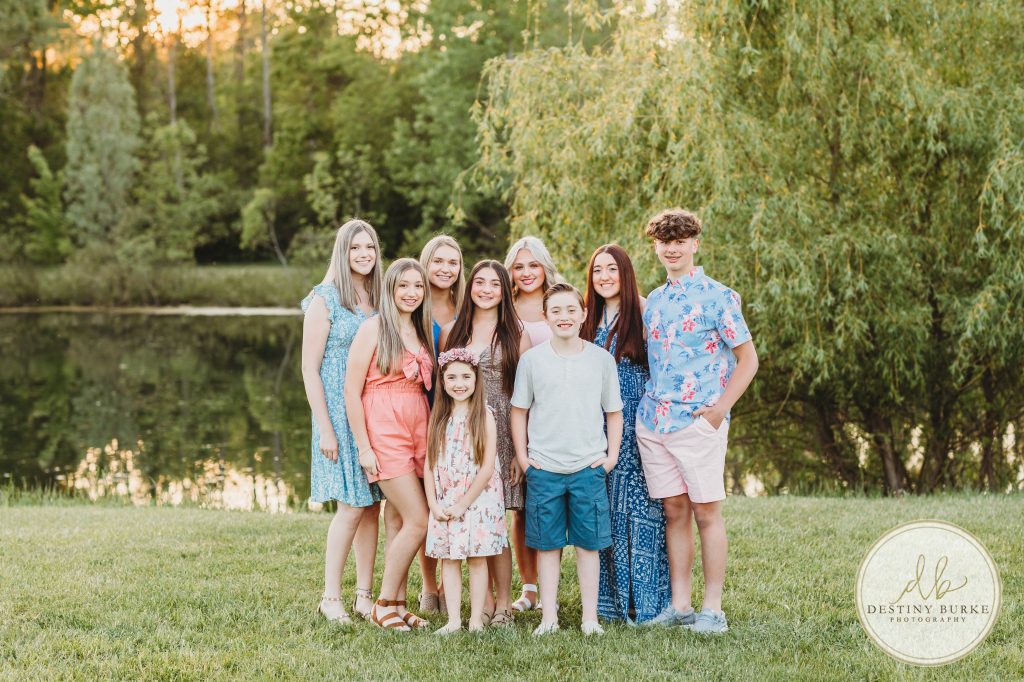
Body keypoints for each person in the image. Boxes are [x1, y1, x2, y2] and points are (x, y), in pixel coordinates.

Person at [637, 209, 758, 634]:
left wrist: (719, 410)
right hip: (655, 421)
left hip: (698, 420)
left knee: (707, 513)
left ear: (695, 244)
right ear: (656, 246)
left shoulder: (719, 296)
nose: (672, 247)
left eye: (680, 239)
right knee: (675, 511)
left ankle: (713, 610)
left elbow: (748, 359)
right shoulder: (654, 302)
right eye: (664, 241)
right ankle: (682, 605)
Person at [510, 282, 624, 636]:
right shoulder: (532, 361)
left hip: (588, 467)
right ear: (545, 317)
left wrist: (610, 457)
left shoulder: (601, 360)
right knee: (548, 546)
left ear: (584, 314)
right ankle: (549, 617)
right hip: (545, 467)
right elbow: (519, 411)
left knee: (589, 546)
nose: (564, 316)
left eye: (571, 310)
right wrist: (525, 460)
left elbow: (614, 413)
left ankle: (590, 617)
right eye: (556, 311)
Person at [581, 244, 671, 624]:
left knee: (643, 510)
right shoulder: (587, 318)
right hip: (595, 425)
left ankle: (649, 601)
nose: (604, 277)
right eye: (597, 270)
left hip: (640, 423)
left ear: (625, 273)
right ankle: (611, 603)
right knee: (606, 510)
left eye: (611, 270)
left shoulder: (647, 311)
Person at [300, 219, 383, 625]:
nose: (364, 254)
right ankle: (331, 596)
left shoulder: (378, 297)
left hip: (371, 412)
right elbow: (309, 369)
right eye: (356, 248)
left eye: (369, 247)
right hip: (336, 412)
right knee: (350, 506)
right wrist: (326, 429)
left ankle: (365, 596)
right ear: (343, 252)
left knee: (371, 508)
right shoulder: (325, 299)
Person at [345, 258, 435, 631]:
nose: (411, 293)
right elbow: (351, 391)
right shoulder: (374, 329)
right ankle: (381, 604)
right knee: (420, 519)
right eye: (404, 286)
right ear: (391, 289)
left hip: (419, 429)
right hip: (385, 431)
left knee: (398, 519)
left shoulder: (420, 329)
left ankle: (398, 603)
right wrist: (364, 446)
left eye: (418, 286)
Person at [440, 260, 531, 627]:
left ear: (505, 289)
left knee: (496, 519)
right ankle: (485, 600)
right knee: (473, 516)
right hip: (462, 433)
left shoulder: (516, 333)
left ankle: (505, 604)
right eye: (479, 282)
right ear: (470, 286)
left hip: (505, 429)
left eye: (495, 283)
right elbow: (445, 389)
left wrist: (519, 450)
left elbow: (524, 395)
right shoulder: (453, 331)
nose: (486, 289)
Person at [425, 348, 507, 634]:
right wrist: (434, 503)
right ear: (443, 382)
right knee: (449, 558)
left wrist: (464, 503)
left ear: (476, 379)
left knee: (476, 557)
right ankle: (453, 621)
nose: (459, 383)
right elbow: (428, 464)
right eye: (452, 378)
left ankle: (475, 620)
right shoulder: (439, 418)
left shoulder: (484, 415)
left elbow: (486, 468)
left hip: (477, 500)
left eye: (465, 377)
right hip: (446, 499)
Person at [503, 236, 561, 612]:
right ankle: (529, 588)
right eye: (519, 266)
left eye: (533, 265)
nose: (526, 273)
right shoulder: (504, 307)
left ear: (544, 267)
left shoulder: (560, 303)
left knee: (551, 504)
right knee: (521, 506)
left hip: (558, 415)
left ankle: (550, 581)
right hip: (517, 410)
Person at [417, 234, 465, 613]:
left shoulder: (465, 307)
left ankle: (454, 584)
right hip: (418, 410)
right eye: (439, 261)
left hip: (456, 411)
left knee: (454, 493)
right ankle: (427, 585)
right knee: (417, 500)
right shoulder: (412, 303)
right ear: (426, 263)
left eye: (453, 262)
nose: (446, 269)